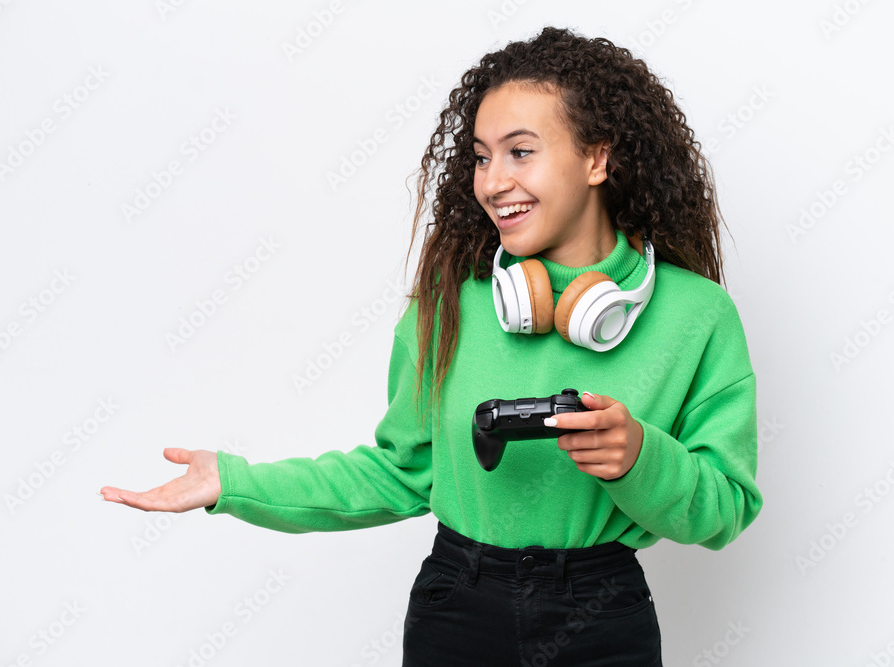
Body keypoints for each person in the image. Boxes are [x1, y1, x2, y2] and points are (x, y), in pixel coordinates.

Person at [100, 26, 763, 666]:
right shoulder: (452, 302)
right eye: (480, 156)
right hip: (458, 606)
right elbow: (400, 472)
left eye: (520, 151)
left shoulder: (696, 316)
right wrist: (234, 482)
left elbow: (726, 507)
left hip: (603, 612)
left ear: (596, 158)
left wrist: (641, 458)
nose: (492, 181)